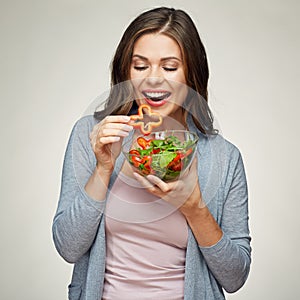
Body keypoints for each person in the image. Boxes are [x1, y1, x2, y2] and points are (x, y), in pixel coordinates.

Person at [52, 7, 251, 300]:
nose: (153, 79)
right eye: (140, 66)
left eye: (170, 67)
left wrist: (195, 208)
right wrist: (103, 168)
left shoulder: (224, 157)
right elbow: (68, 247)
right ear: (126, 71)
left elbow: (235, 277)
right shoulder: (92, 135)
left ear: (191, 74)